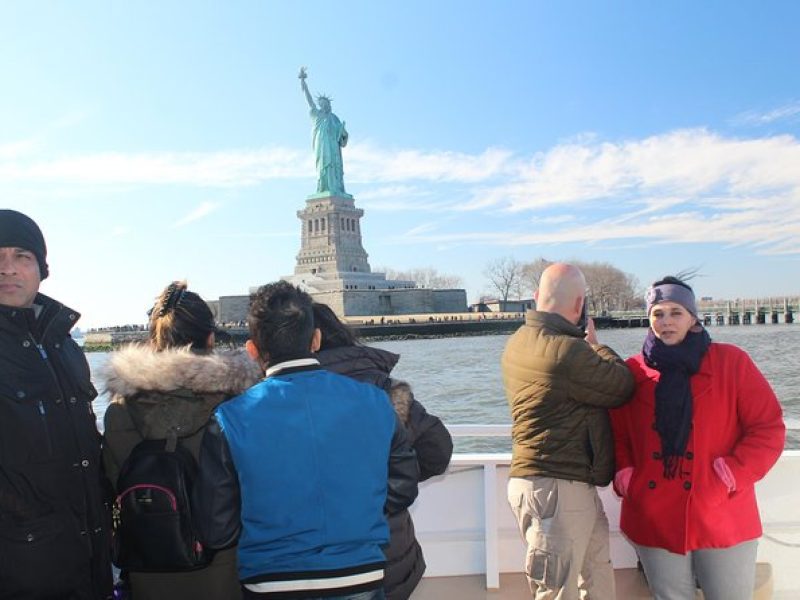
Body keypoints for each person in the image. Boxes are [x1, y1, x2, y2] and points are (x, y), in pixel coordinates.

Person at [194, 281, 419, 599]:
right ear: (315, 340)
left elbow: (217, 528)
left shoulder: (231, 418)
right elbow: (403, 487)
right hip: (360, 573)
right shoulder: (375, 401)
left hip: (271, 579)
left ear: (252, 350)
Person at [610, 276, 785, 600]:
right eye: (658, 313)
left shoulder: (731, 362)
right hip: (654, 511)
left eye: (675, 312)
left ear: (693, 317)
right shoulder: (633, 371)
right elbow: (618, 435)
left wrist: (731, 474)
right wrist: (627, 478)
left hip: (723, 509)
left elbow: (768, 428)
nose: (666, 321)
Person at [101, 281, 261, 600]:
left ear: (153, 341)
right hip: (227, 564)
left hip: (150, 562)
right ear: (211, 337)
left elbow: (112, 483)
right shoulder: (240, 404)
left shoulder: (120, 411)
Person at [501, 262, 634, 600]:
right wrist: (595, 344)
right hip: (559, 489)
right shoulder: (569, 351)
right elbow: (622, 385)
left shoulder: (518, 341)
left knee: (595, 572)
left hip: (551, 484)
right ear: (579, 306)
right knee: (559, 589)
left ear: (535, 297)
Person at [0, 209, 113, 599]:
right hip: (22, 572)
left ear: (41, 269)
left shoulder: (62, 344)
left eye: (21, 256)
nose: (7, 269)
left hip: (89, 561)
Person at [312, 302, 453, 600]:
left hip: (311, 559)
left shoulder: (280, 398)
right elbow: (437, 450)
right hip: (388, 549)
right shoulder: (386, 391)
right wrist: (391, 483)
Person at [299, 66, 349, 195]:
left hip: (333, 147)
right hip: (321, 145)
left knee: (335, 166)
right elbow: (309, 100)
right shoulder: (317, 114)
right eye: (321, 104)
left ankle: (335, 188)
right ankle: (323, 188)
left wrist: (343, 132)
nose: (323, 105)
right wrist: (303, 82)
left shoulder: (334, 118)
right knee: (323, 166)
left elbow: (343, 137)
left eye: (325, 104)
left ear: (328, 105)